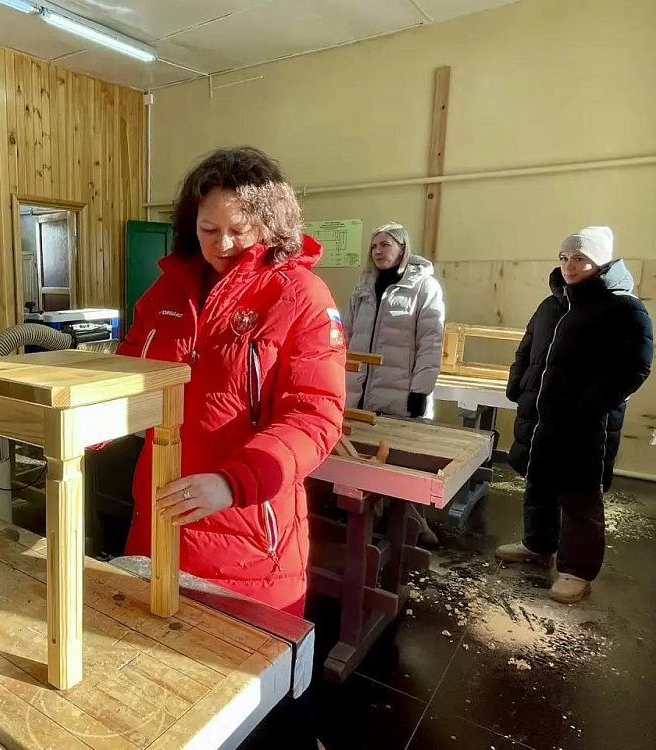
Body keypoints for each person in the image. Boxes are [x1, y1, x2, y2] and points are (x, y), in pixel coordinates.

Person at [116, 146, 347, 617]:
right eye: (208, 229)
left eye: (238, 231)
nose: (222, 244)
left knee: (240, 658)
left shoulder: (300, 297)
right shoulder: (166, 293)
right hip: (158, 522)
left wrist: (233, 482)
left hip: (248, 537)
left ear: (269, 226)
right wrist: (73, 422)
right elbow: (126, 380)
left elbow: (315, 416)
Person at [496, 226, 652, 604]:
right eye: (564, 257)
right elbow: (526, 349)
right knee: (538, 482)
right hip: (540, 416)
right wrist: (518, 386)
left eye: (580, 258)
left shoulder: (624, 308)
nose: (569, 265)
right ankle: (538, 545)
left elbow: (635, 367)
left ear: (601, 263)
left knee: (579, 495)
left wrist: (588, 405)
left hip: (585, 424)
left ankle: (577, 572)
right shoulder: (551, 305)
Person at [344, 222, 444, 545]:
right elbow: (346, 334)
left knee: (403, 463)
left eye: (385, 245)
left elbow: (431, 341)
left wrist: (421, 390)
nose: (378, 251)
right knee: (364, 457)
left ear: (402, 249)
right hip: (360, 391)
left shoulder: (424, 287)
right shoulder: (363, 287)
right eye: (374, 246)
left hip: (400, 392)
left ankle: (415, 524)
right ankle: (369, 523)